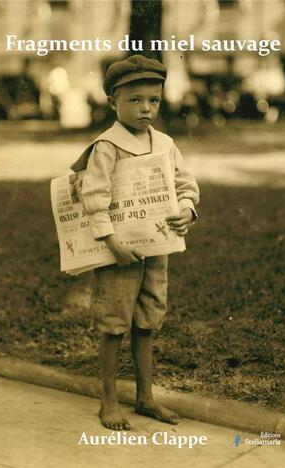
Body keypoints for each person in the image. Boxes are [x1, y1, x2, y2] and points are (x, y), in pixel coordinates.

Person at [71, 55, 200, 431]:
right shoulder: (108, 145)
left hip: (156, 250)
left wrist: (188, 209)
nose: (146, 108)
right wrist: (111, 241)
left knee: (147, 321)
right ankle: (108, 400)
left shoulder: (164, 143)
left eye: (153, 100)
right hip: (118, 253)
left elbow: (185, 185)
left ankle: (145, 397)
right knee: (114, 324)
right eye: (135, 100)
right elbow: (94, 196)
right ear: (113, 102)